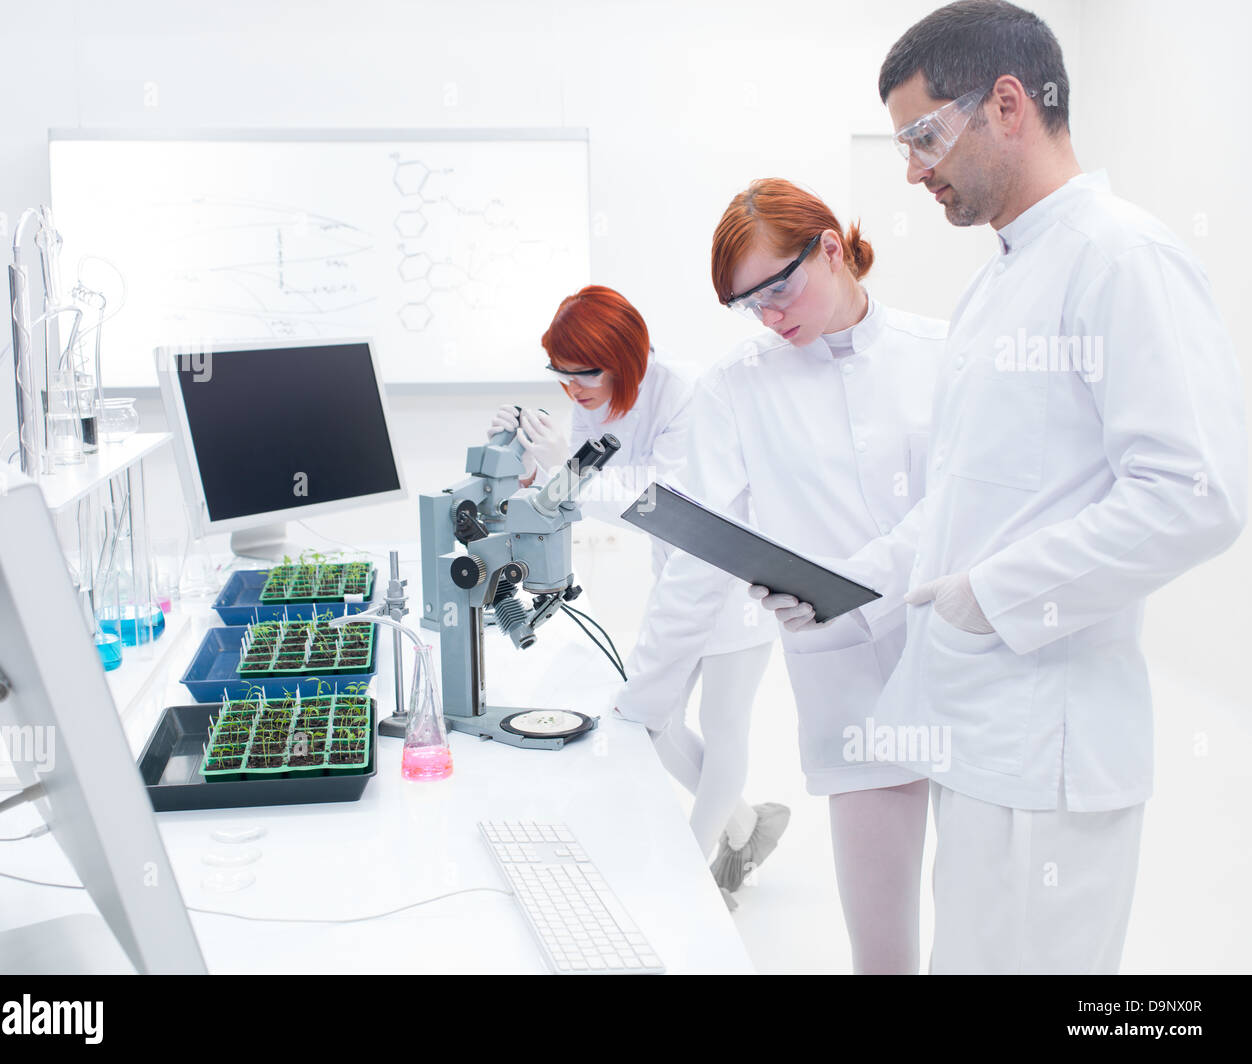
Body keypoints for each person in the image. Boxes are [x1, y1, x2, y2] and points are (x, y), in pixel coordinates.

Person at [752, 0, 1247, 973]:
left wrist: (996, 594)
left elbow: (1195, 492)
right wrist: (838, 584)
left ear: (1009, 103)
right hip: (977, 733)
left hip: (1051, 749)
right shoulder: (996, 285)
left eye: (923, 136)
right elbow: (959, 506)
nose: (910, 170)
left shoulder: (1121, 257)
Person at [615, 179, 948, 971]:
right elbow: (698, 556)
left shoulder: (943, 351)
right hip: (852, 688)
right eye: (746, 302)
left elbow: (963, 507)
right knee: (883, 952)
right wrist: (646, 697)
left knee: (980, 938)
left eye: (778, 286)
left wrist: (860, 584)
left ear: (832, 248)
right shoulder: (738, 388)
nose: (768, 314)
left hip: (962, 665)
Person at [486, 286, 784, 905]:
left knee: (723, 723)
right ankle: (747, 825)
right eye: (559, 378)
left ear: (627, 356)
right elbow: (579, 493)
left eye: (584, 375)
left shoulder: (688, 390)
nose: (573, 391)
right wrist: (518, 463)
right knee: (653, 718)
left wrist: (566, 470)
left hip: (735, 573)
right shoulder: (590, 398)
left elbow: (663, 503)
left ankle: (693, 881)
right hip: (679, 574)